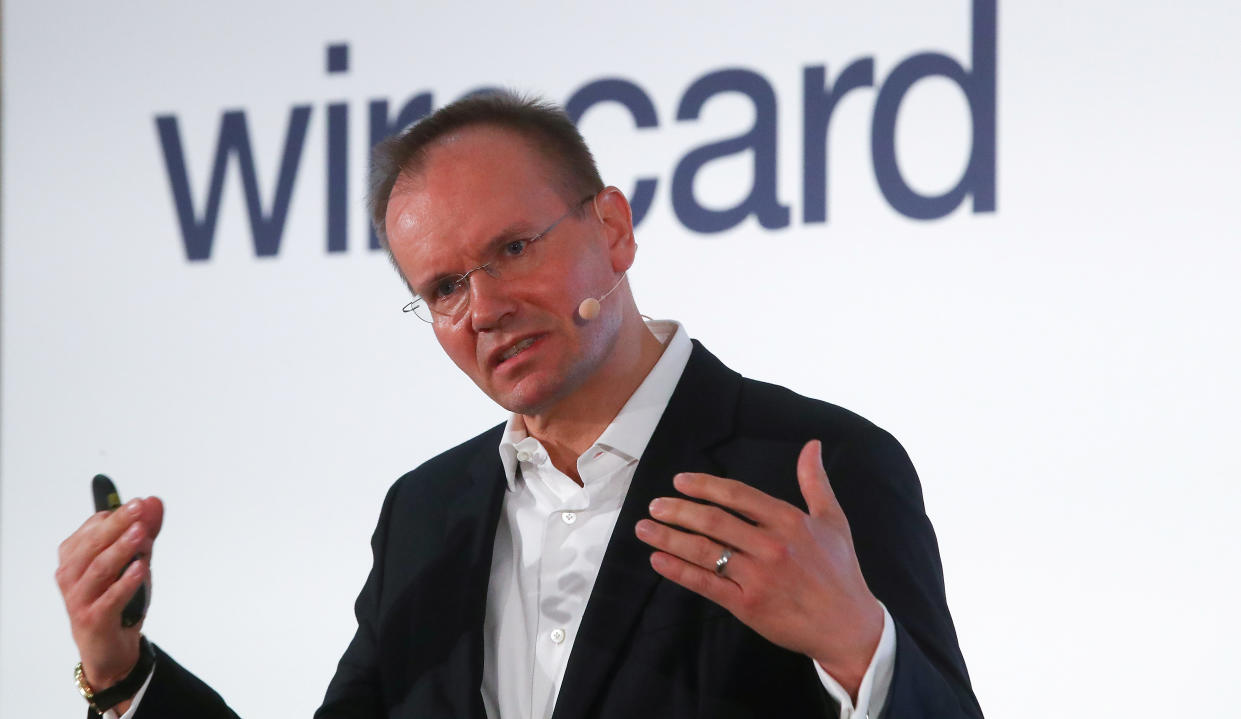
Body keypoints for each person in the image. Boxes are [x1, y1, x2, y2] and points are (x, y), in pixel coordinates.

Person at [56, 92, 983, 719]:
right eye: (445, 285)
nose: (485, 307)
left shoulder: (809, 467)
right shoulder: (427, 515)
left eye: (511, 249)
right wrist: (122, 674)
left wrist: (862, 649)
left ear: (612, 230)